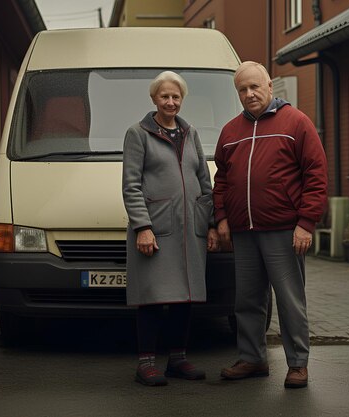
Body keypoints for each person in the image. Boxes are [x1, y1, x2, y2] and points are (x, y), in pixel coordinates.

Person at [213, 61, 328, 389]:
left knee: (291, 299)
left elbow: (316, 174)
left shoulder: (296, 122)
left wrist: (306, 223)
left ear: (269, 87)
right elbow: (221, 180)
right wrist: (221, 217)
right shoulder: (230, 131)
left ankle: (297, 364)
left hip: (284, 230)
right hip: (244, 232)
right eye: (242, 90)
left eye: (254, 87)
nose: (249, 94)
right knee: (247, 301)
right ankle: (252, 358)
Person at [122, 71, 219, 387]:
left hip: (189, 229)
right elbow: (131, 185)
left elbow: (205, 183)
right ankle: (146, 363)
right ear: (154, 99)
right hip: (156, 229)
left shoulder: (190, 134)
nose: (171, 101)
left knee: (184, 296)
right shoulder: (138, 133)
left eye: (176, 96)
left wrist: (212, 224)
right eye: (165, 96)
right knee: (151, 296)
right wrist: (142, 226)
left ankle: (178, 359)